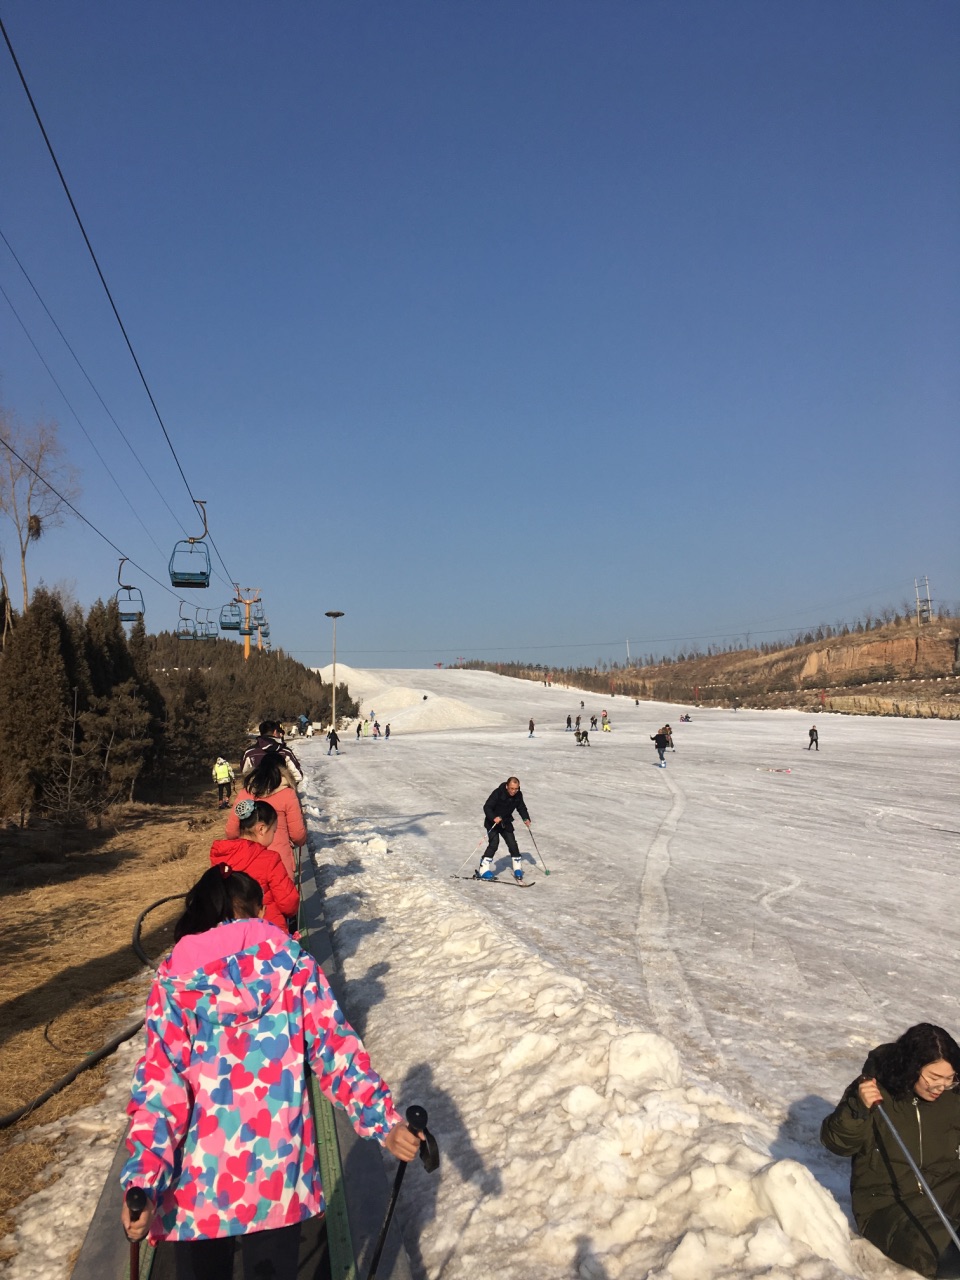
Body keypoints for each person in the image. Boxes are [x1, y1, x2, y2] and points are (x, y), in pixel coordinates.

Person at [120, 866, 422, 1278]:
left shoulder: (175, 981)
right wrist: (384, 1122)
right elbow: (336, 1049)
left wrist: (144, 1180)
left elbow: (160, 1087)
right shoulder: (293, 965)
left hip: (196, 1194)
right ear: (255, 912)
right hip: (278, 1180)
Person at [821, 1024, 960, 1278]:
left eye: (949, 1079)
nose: (940, 1087)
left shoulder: (954, 1095)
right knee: (952, 1259)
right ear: (912, 1067)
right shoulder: (874, 1091)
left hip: (948, 1188)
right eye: (933, 1077)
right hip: (889, 1204)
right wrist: (858, 1109)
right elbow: (836, 1143)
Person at [211, 799, 299, 929]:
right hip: (268, 932)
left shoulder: (221, 858)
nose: (273, 836)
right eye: (273, 831)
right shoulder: (269, 859)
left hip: (231, 933)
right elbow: (289, 903)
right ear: (262, 829)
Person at [225, 759, 306, 883]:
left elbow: (231, 832)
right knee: (281, 897)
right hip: (279, 861)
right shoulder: (288, 794)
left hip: (247, 860)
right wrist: (300, 841)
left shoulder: (245, 794)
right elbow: (297, 835)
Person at [474, 777, 532, 883]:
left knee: (512, 844)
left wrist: (526, 818)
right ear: (507, 786)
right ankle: (483, 870)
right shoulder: (497, 793)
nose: (514, 791)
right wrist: (493, 817)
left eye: (516, 789)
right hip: (493, 822)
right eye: (512, 788)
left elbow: (521, 807)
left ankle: (517, 868)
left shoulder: (518, 795)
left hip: (505, 822)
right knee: (494, 844)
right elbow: (487, 807)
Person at [241, 721, 303, 785]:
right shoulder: (285, 752)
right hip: (281, 792)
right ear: (275, 732)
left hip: (257, 791)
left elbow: (245, 773)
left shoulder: (249, 752)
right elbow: (298, 776)